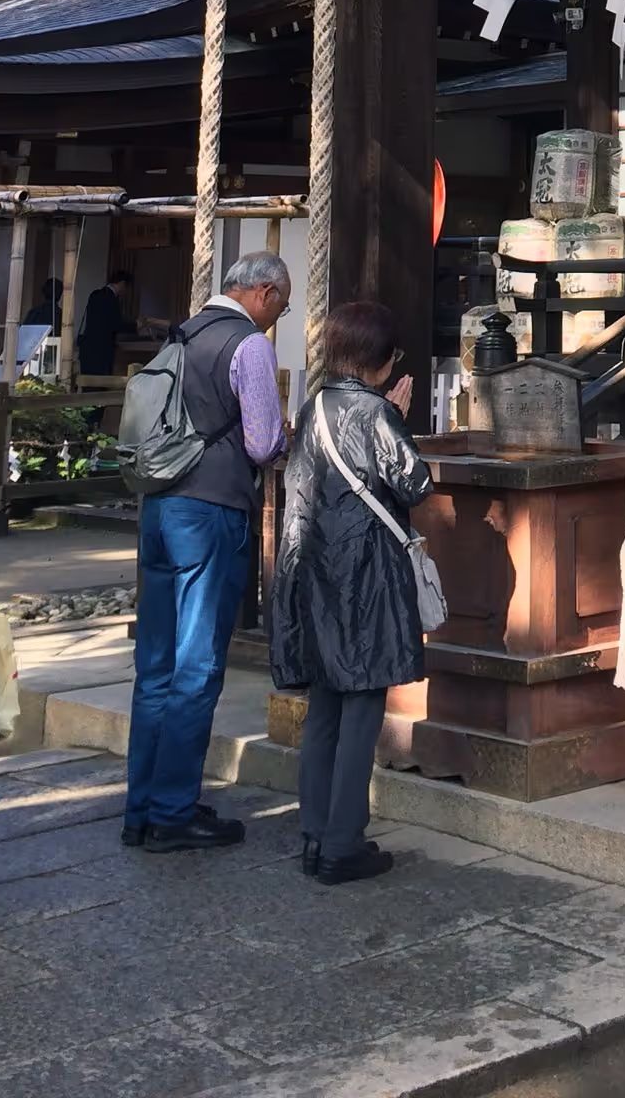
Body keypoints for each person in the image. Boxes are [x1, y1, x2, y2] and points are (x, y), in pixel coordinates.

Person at [123, 251, 289, 854]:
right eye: (283, 305)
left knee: (157, 667)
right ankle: (173, 811)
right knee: (197, 666)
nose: (279, 317)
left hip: (160, 506)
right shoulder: (247, 345)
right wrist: (283, 437)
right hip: (212, 508)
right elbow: (263, 441)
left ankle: (140, 807)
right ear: (265, 293)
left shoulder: (182, 334)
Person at [270, 299, 430, 884]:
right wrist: (397, 418)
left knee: (324, 712)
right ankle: (343, 842)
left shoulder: (314, 408)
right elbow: (415, 484)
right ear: (381, 358)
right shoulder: (375, 413)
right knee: (363, 709)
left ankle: (315, 833)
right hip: (364, 579)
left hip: (314, 577)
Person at [76, 270, 131, 379]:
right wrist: (135, 326)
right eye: (126, 287)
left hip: (88, 347)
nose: (126, 291)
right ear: (122, 284)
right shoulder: (111, 299)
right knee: (101, 384)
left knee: (88, 384)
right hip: (102, 350)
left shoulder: (95, 294)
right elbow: (116, 324)